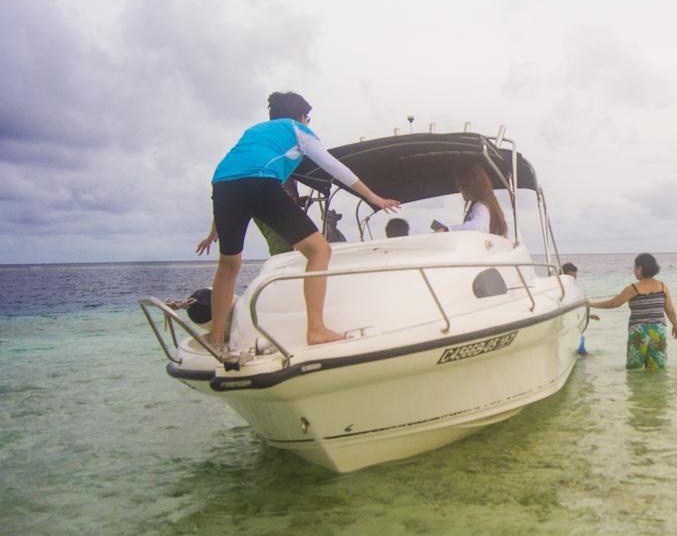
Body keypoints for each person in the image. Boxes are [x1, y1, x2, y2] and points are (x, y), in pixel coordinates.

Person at [196, 91, 400, 348]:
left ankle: (215, 339)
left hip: (222, 187)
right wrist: (374, 197)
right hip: (260, 184)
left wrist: (214, 229)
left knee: (228, 266)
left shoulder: (253, 132)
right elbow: (334, 166)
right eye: (308, 118)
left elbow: (233, 177)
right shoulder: (296, 129)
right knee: (319, 250)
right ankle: (316, 330)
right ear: (302, 117)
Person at [589, 253, 677, 370]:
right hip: (658, 331)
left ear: (640, 268)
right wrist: (675, 326)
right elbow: (670, 310)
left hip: (638, 332)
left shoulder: (634, 288)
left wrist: (591, 304)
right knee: (656, 369)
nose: (634, 271)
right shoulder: (662, 286)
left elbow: (613, 303)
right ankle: (657, 389)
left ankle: (636, 388)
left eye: (634, 267)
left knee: (634, 369)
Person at [432, 162, 508, 235]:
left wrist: (448, 230)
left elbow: (478, 227)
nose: (459, 189)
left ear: (470, 185)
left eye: (460, 185)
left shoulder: (481, 206)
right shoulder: (486, 205)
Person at [562, 262, 600, 355]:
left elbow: (573, 310)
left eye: (575, 277)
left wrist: (588, 315)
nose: (574, 279)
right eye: (572, 276)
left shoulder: (571, 290)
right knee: (585, 354)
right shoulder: (560, 289)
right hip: (566, 327)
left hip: (572, 327)